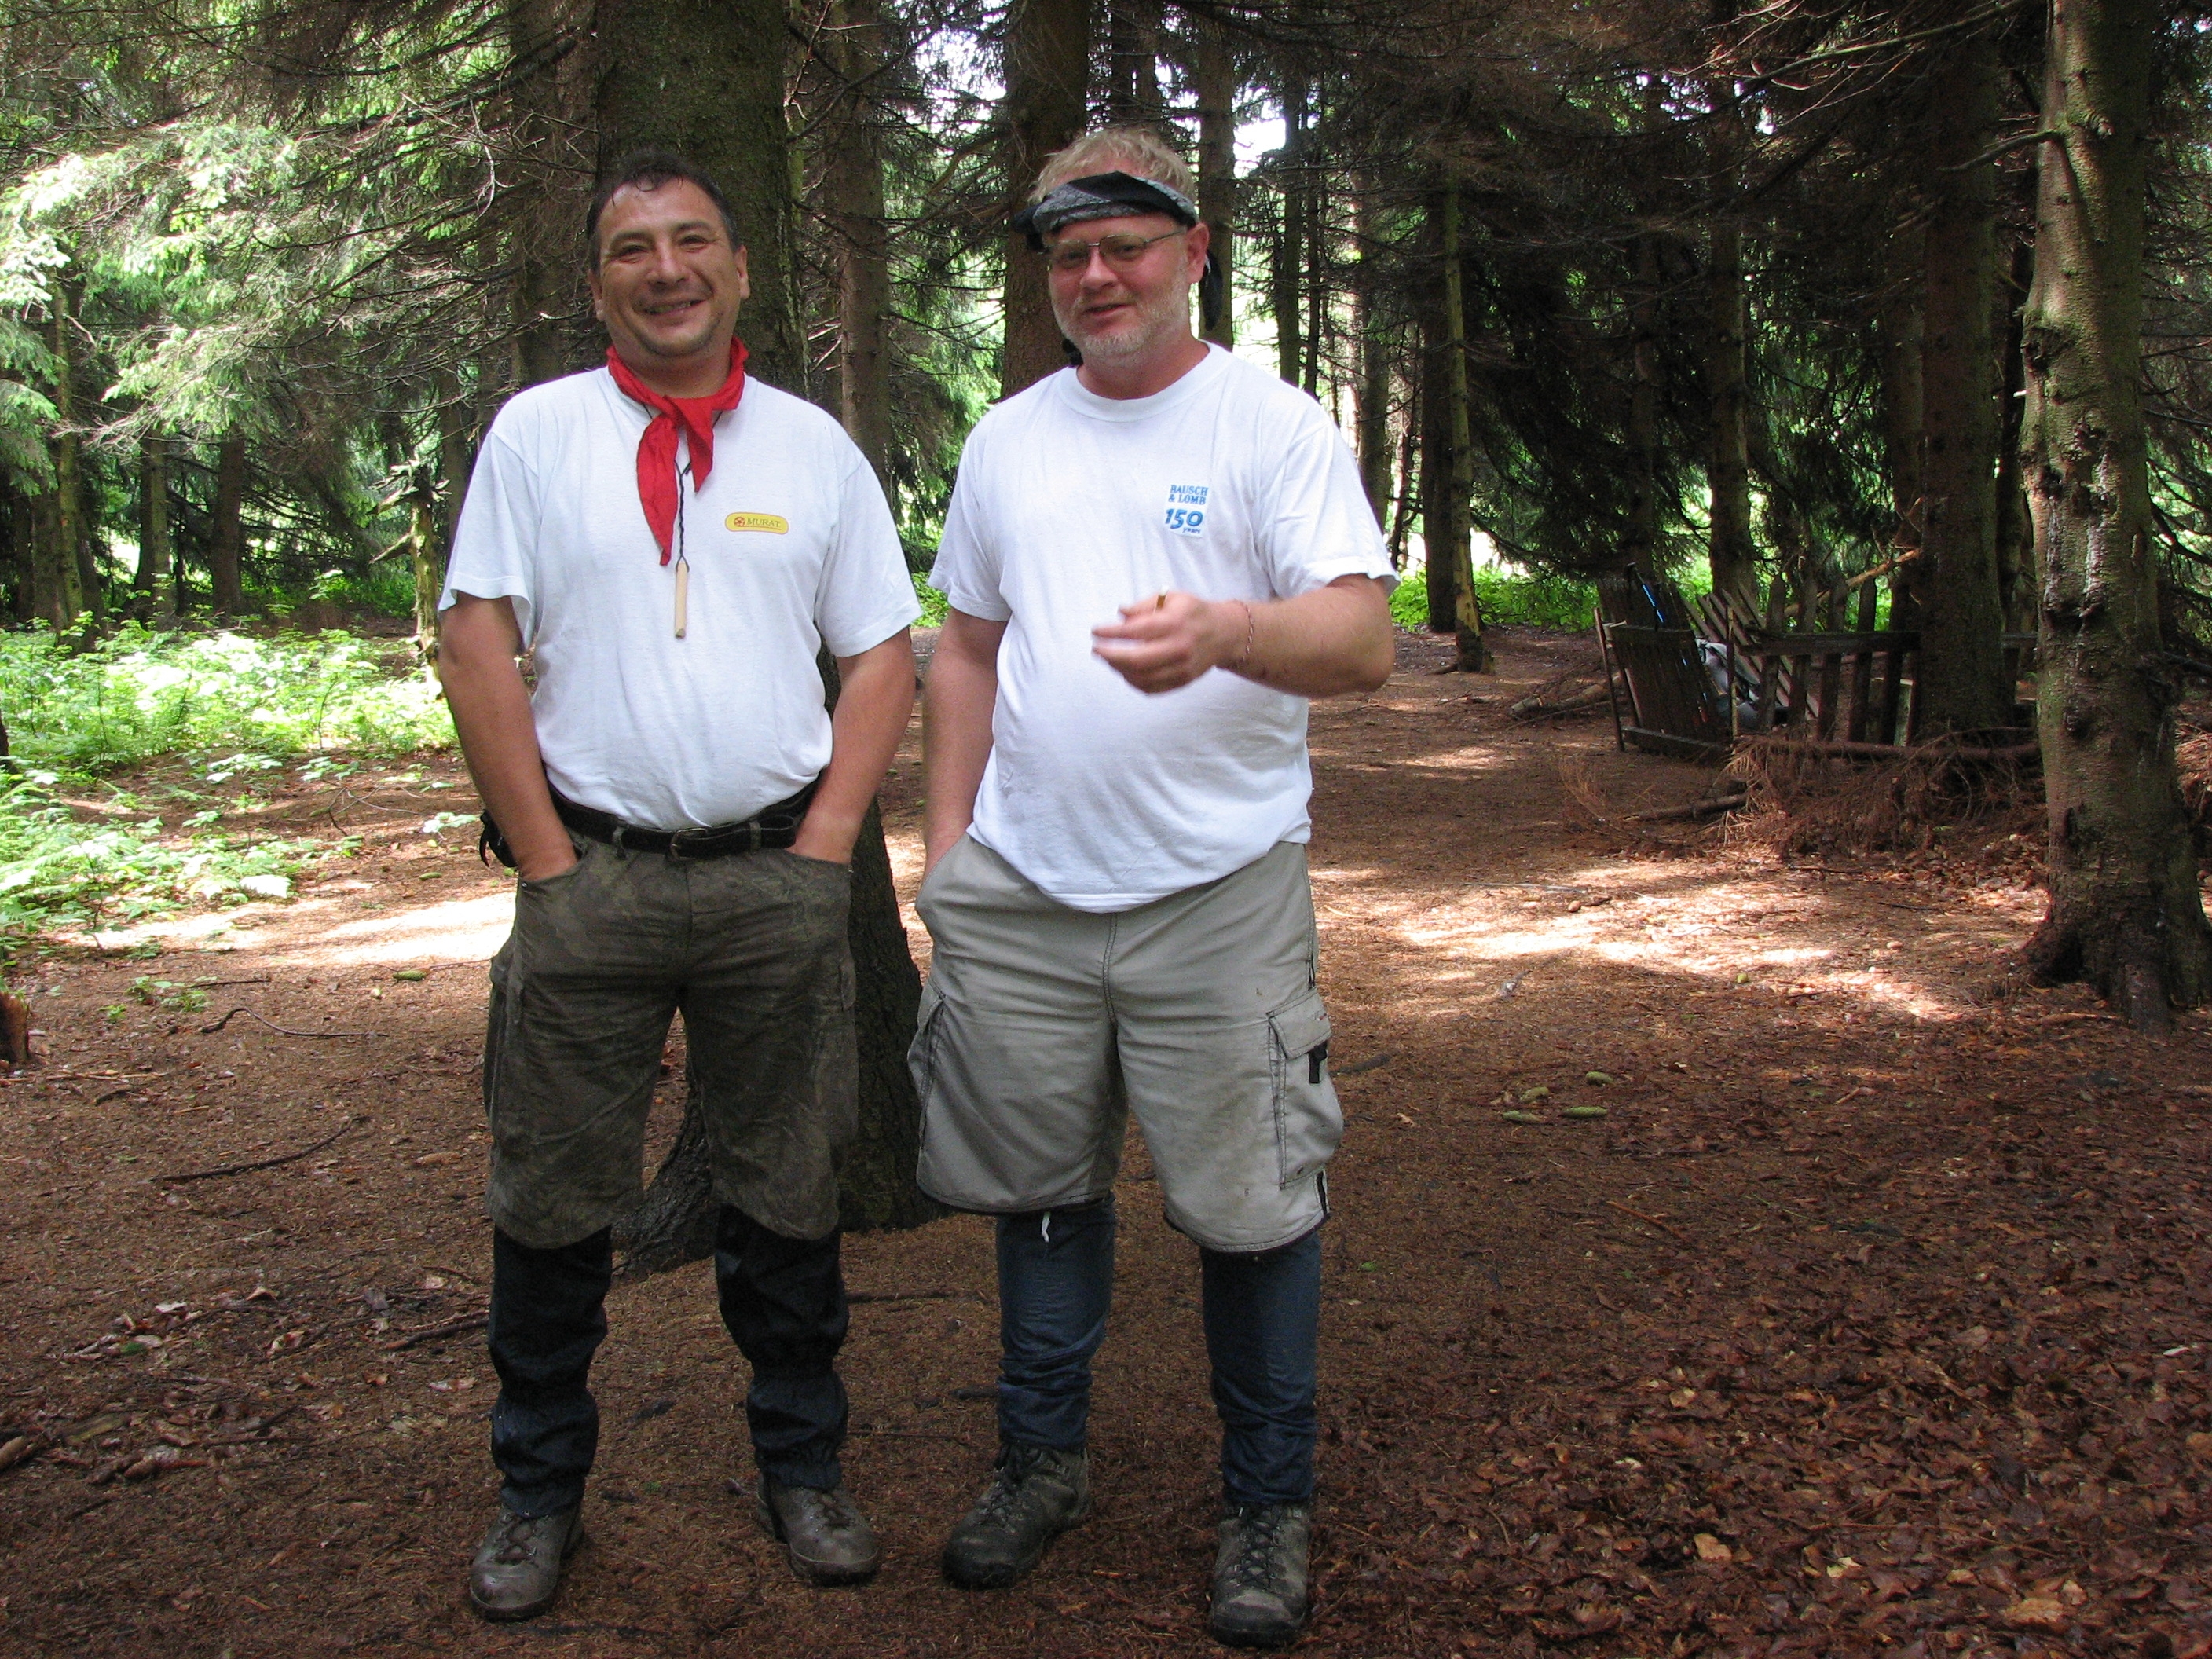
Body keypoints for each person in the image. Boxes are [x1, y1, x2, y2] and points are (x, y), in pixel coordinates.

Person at [912, 126, 1396, 1650]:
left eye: (1126, 246)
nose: (1097, 276)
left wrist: (1227, 632)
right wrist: (947, 848)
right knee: (1039, 1191)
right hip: (1026, 895)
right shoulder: (1007, 442)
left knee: (1254, 1208)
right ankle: (1038, 1464)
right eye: (1070, 255)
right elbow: (967, 648)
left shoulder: (1270, 427)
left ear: (1192, 252)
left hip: (1217, 893)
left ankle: (1267, 1503)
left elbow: (1363, 639)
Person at [437, 150, 918, 1622]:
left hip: (776, 884)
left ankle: (804, 1471)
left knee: (789, 1190)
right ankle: (538, 1492)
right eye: (633, 248)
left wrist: (828, 847)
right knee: (549, 1200)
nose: (667, 269)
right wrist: (544, 858)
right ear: (597, 285)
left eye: (693, 239)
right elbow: (474, 636)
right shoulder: (538, 436)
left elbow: (882, 653)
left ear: (740, 268)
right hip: (594, 883)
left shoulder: (812, 451)